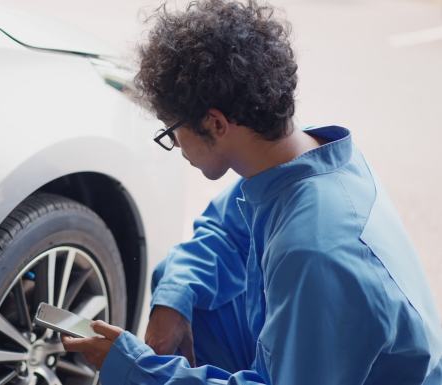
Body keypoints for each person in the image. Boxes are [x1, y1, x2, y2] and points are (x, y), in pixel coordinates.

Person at [61, 0, 442, 384]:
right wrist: (174, 299)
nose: (174, 144)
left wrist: (137, 371)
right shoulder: (296, 165)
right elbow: (223, 232)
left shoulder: (315, 251)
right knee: (199, 302)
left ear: (216, 123)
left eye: (171, 129)